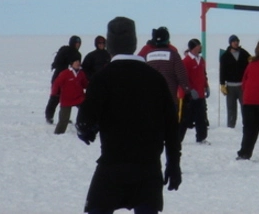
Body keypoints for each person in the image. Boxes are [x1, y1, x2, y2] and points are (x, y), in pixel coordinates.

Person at [76, 17, 181, 214]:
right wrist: (173, 164)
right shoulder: (155, 79)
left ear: (109, 45)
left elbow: (84, 122)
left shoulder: (103, 78)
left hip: (112, 166)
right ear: (134, 43)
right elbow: (171, 127)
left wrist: (87, 131)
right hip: (148, 169)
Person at [143, 27, 189, 116]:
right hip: (169, 98)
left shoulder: (147, 56)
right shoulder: (173, 55)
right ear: (167, 39)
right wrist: (187, 91)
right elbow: (181, 75)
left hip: (151, 99)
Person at [45, 35, 83, 124]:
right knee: (56, 97)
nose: (78, 45)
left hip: (69, 79)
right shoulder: (67, 51)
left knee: (67, 98)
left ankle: (63, 117)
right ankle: (49, 117)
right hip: (60, 77)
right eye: (76, 43)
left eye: (79, 43)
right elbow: (58, 63)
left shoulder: (74, 53)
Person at [179, 38, 210, 145]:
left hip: (200, 94)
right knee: (185, 118)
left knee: (201, 117)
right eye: (198, 45)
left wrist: (206, 86)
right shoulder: (186, 61)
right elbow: (183, 78)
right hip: (189, 96)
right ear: (193, 47)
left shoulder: (201, 60)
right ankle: (178, 139)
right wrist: (190, 90)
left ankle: (201, 137)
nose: (200, 47)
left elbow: (203, 75)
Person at [219, 35, 250, 129]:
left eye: (237, 41)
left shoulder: (244, 53)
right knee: (231, 108)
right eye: (234, 41)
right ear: (230, 43)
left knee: (245, 106)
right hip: (230, 86)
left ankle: (247, 124)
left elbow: (250, 66)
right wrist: (222, 84)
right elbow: (222, 71)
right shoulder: (225, 56)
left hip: (242, 85)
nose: (236, 43)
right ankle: (230, 126)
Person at [50, 58, 88, 134]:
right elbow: (56, 84)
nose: (78, 63)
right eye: (75, 61)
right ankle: (58, 133)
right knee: (64, 119)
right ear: (71, 64)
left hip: (79, 98)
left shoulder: (81, 73)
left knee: (86, 113)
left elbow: (85, 84)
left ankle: (84, 130)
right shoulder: (65, 73)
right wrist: (54, 94)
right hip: (67, 99)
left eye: (78, 61)